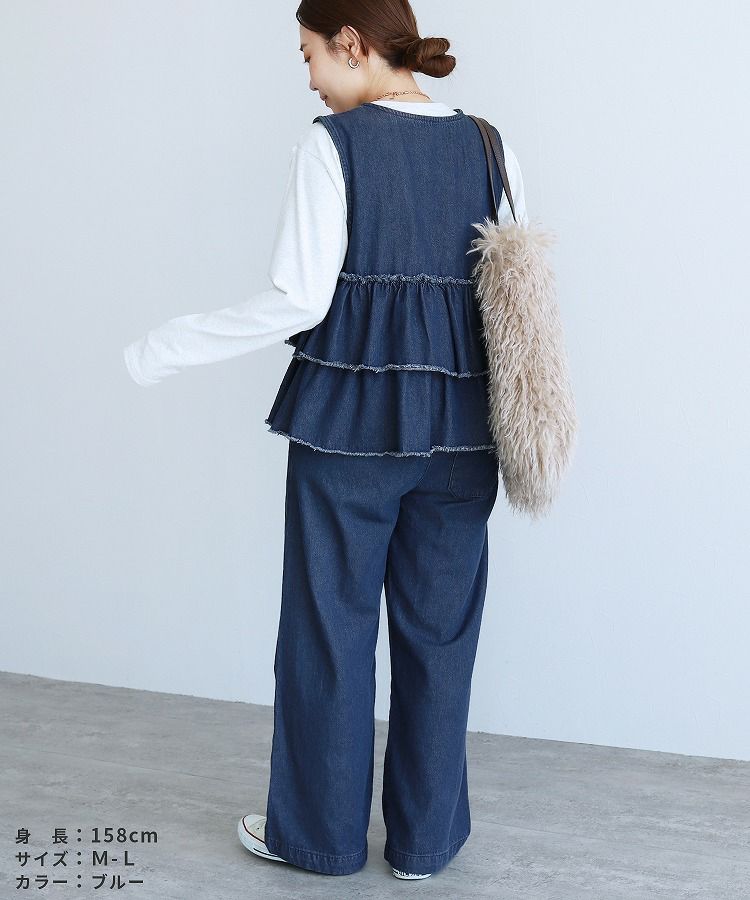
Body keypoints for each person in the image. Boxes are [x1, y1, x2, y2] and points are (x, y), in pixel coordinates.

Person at [124, 0, 527, 882]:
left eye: (308, 53)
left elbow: (299, 300)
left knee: (328, 629)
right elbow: (514, 294)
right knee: (442, 637)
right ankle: (423, 847)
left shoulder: (332, 144)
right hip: (465, 433)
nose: (307, 76)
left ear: (351, 43)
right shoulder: (489, 145)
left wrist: (168, 345)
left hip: (351, 426)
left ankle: (318, 839)